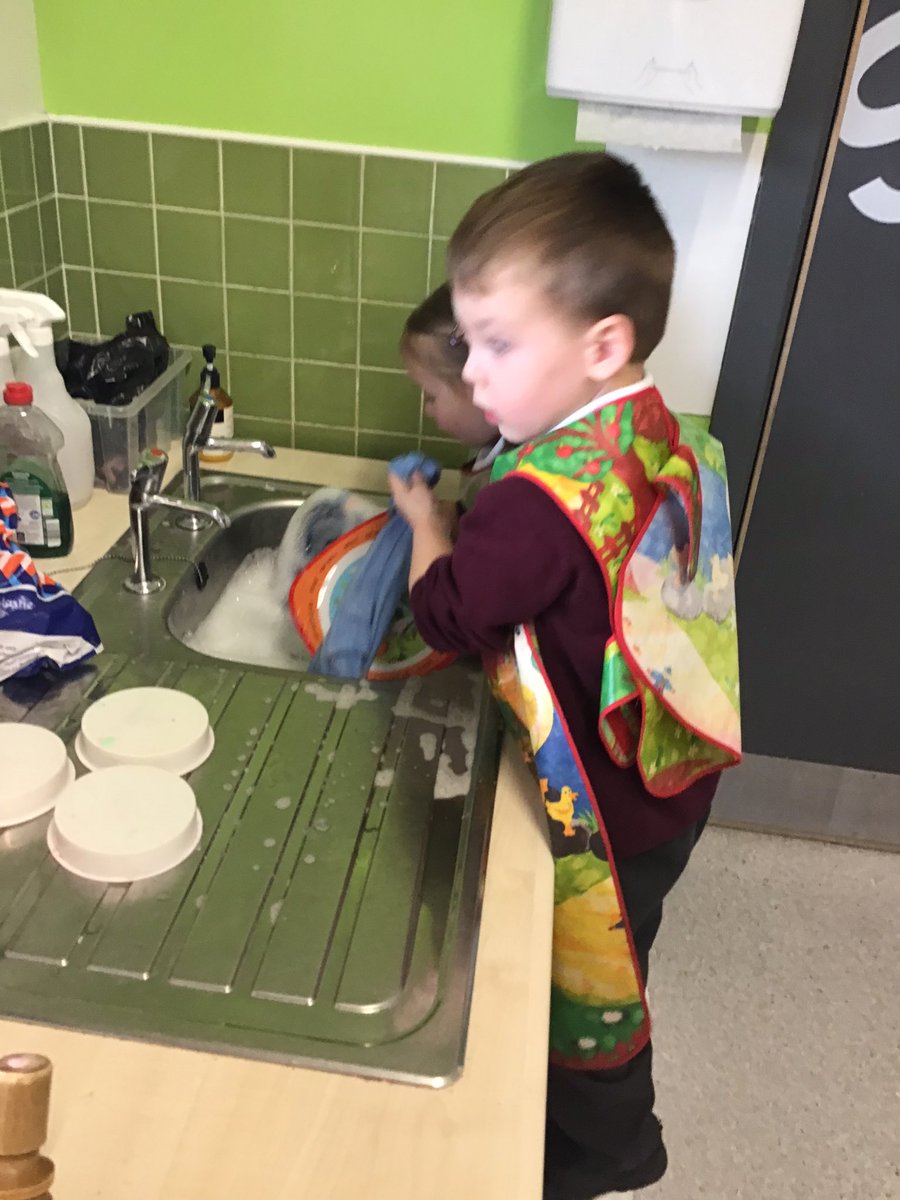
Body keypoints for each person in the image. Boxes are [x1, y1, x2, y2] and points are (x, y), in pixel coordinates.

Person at [388, 152, 741, 1200]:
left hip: (612, 810)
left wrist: (422, 526)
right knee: (632, 955)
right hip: (674, 758)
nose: (474, 371)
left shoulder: (534, 502)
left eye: (495, 344)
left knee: (595, 996)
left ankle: (600, 1162)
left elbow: (446, 613)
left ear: (603, 344)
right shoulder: (643, 419)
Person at [400, 283, 501, 505]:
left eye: (431, 396)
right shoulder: (497, 451)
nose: (428, 410)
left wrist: (424, 522)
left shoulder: (511, 487)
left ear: (477, 385)